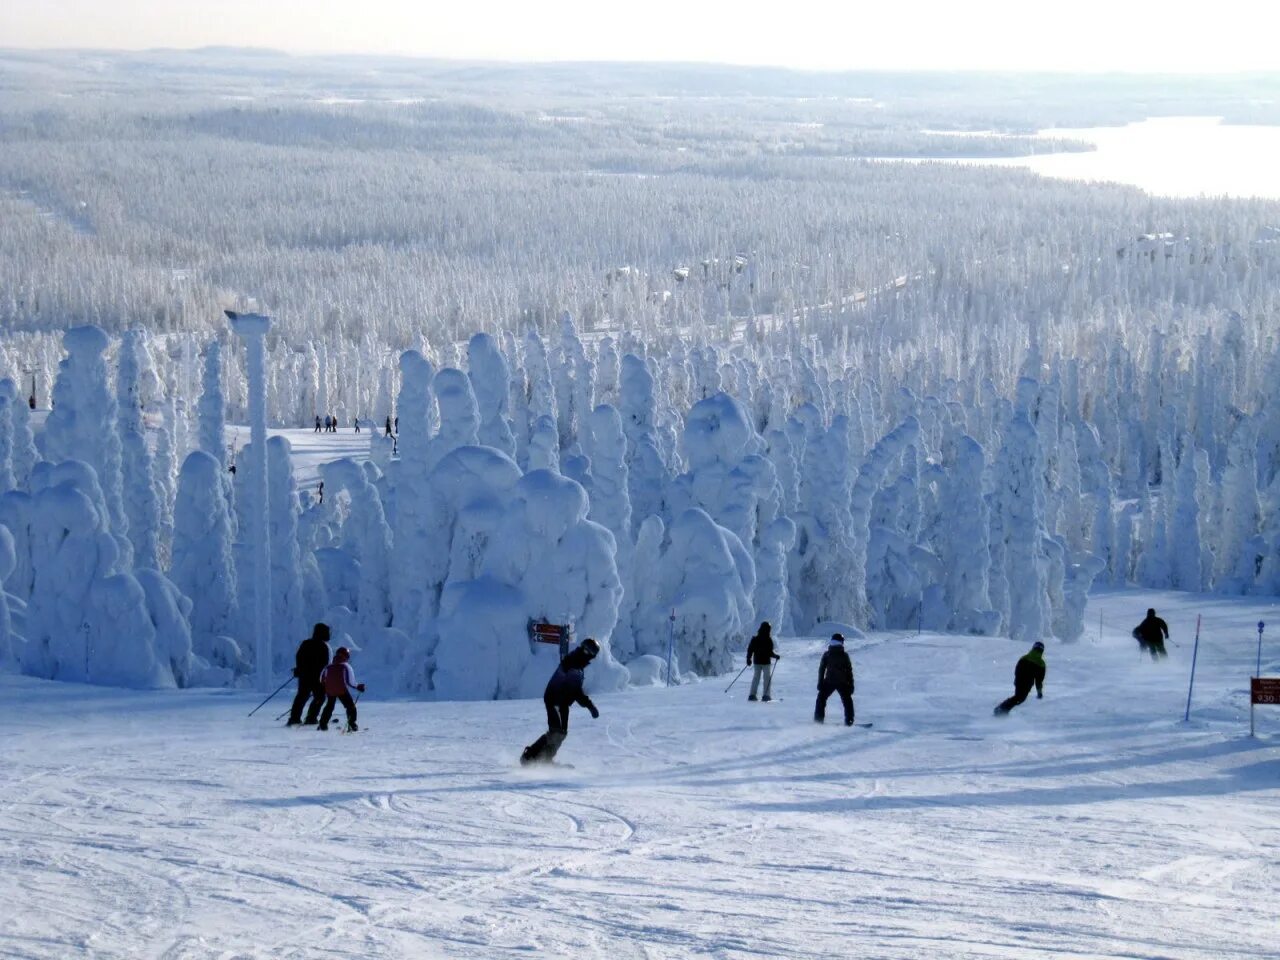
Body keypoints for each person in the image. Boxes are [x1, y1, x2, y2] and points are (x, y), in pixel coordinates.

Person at [521, 638, 601, 765]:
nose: (587, 654)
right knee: (556, 732)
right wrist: (590, 706)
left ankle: (545, 759)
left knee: (561, 733)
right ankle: (529, 756)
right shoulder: (574, 663)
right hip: (555, 699)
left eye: (590, 652)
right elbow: (576, 691)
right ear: (582, 648)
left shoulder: (578, 662)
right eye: (586, 650)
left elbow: (574, 690)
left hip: (562, 701)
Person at [287, 623, 331, 726]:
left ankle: (294, 718)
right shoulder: (323, 646)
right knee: (319, 697)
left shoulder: (306, 643)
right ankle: (311, 718)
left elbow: (299, 657)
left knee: (302, 696)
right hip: (316, 677)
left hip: (304, 676)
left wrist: (299, 669)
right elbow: (325, 663)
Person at [317, 646, 365, 731]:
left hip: (330, 690)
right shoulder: (346, 666)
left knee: (329, 706)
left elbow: (321, 679)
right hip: (341, 690)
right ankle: (352, 724)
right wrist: (358, 687)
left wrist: (326, 687)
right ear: (346, 656)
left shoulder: (328, 667)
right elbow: (351, 682)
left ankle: (322, 724)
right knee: (350, 706)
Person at [994, 641, 1046, 715]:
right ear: (1042, 651)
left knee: (1018, 697)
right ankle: (1001, 710)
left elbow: (1017, 669)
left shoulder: (1024, 657)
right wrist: (1039, 692)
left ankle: (1002, 709)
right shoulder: (1041, 663)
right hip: (1027, 683)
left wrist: (1017, 679)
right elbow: (1039, 680)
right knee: (1019, 698)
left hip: (1019, 681)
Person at [815, 633, 855, 725]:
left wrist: (820, 682)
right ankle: (849, 720)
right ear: (841, 642)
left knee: (821, 699)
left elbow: (821, 669)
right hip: (843, 682)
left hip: (829, 681)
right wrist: (851, 685)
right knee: (847, 701)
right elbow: (849, 671)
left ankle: (818, 720)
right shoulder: (844, 655)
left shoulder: (827, 654)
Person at [745, 621, 780, 701]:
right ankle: (766, 695)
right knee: (767, 678)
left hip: (757, 662)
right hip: (766, 662)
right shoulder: (769, 640)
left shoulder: (755, 639)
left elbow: (750, 650)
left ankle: (752, 695)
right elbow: (770, 653)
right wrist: (776, 656)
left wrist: (748, 659)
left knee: (756, 678)